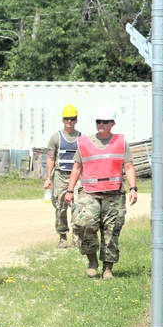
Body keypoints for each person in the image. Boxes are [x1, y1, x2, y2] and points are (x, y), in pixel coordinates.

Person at [63, 104, 137, 280]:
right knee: (85, 224)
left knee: (112, 230)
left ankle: (107, 269)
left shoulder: (121, 143)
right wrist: (70, 190)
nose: (101, 125)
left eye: (105, 122)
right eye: (98, 121)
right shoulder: (85, 143)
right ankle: (92, 260)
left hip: (114, 193)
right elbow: (77, 167)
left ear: (113, 123)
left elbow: (128, 166)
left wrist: (133, 188)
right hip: (89, 192)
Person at [43, 104, 82, 249]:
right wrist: (48, 178)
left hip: (76, 176)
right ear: (63, 120)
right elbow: (51, 158)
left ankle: (76, 238)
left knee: (77, 206)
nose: (69, 122)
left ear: (76, 120)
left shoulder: (81, 138)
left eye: (72, 119)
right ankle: (62, 237)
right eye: (67, 119)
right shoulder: (56, 138)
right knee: (60, 207)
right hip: (60, 176)